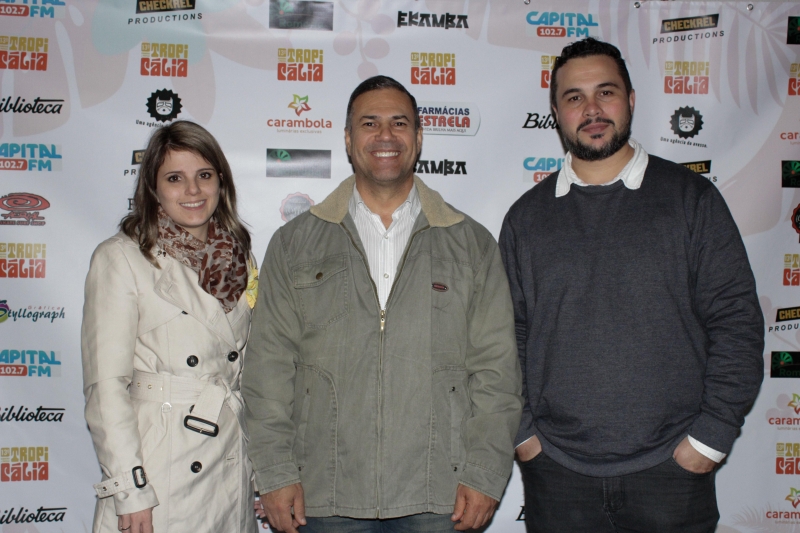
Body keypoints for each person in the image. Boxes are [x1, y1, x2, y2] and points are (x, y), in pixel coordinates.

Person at [499, 38, 764, 533]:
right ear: (556, 112)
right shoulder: (525, 219)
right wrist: (524, 437)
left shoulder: (691, 200)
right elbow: (504, 339)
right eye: (574, 97)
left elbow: (736, 323)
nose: (592, 109)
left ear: (631, 100)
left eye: (606, 92)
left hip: (672, 474)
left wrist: (708, 440)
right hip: (557, 475)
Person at [242, 75, 522, 533]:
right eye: (369, 123)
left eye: (399, 123)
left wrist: (485, 473)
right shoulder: (295, 244)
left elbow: (497, 372)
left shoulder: (471, 244)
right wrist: (274, 473)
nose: (385, 135)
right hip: (324, 494)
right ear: (348, 139)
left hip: (440, 495)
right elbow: (267, 370)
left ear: (419, 137)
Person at [81, 120, 259, 533]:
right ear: (153, 187)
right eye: (175, 178)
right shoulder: (121, 258)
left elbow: (245, 369)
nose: (193, 190)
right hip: (160, 465)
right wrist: (130, 491)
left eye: (204, 175)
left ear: (221, 182)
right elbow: (105, 387)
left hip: (228, 460)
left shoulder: (239, 257)